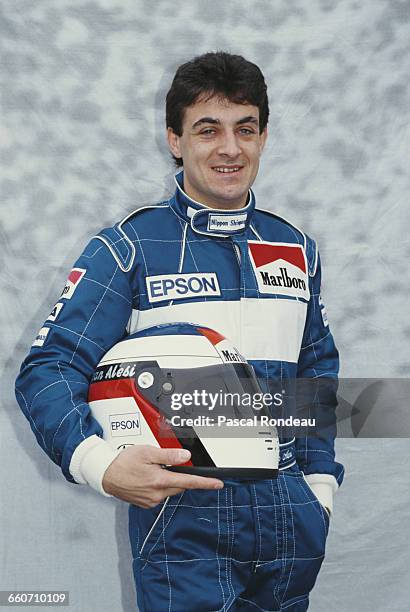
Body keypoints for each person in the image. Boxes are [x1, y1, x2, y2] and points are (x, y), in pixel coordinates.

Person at [16, 51, 344, 611]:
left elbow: (317, 372)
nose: (230, 149)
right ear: (175, 139)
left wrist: (319, 488)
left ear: (264, 136)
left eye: (246, 128)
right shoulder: (128, 247)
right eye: (208, 129)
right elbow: (47, 370)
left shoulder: (295, 248)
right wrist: (99, 464)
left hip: (291, 523)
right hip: (183, 521)